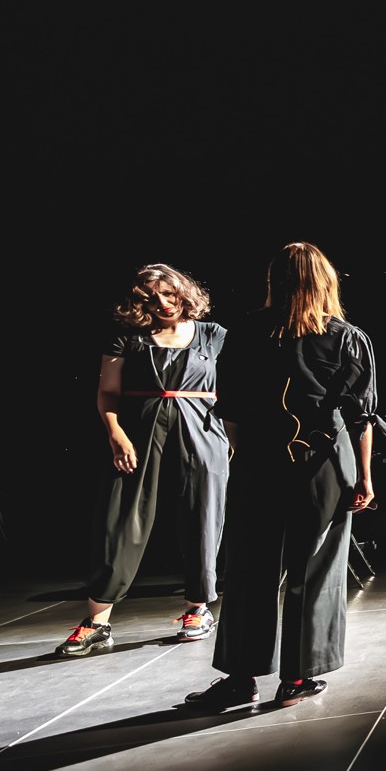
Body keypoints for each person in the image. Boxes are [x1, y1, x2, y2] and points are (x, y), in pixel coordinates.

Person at [187, 242, 384, 710]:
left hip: (259, 458)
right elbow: (362, 416)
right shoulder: (346, 337)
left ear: (274, 280)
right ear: (326, 280)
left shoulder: (246, 333)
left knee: (250, 568)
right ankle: (298, 678)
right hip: (325, 463)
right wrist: (366, 478)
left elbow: (229, 409)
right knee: (314, 568)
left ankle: (240, 678)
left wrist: (241, 456)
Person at [57, 263, 230, 657]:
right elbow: (108, 393)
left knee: (203, 515)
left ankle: (197, 609)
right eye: (152, 298)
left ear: (185, 293)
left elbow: (235, 388)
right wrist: (116, 435)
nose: (164, 304)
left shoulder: (214, 335)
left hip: (201, 430)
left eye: (170, 294)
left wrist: (230, 437)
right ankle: (97, 622)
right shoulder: (127, 338)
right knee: (120, 519)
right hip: (140, 430)